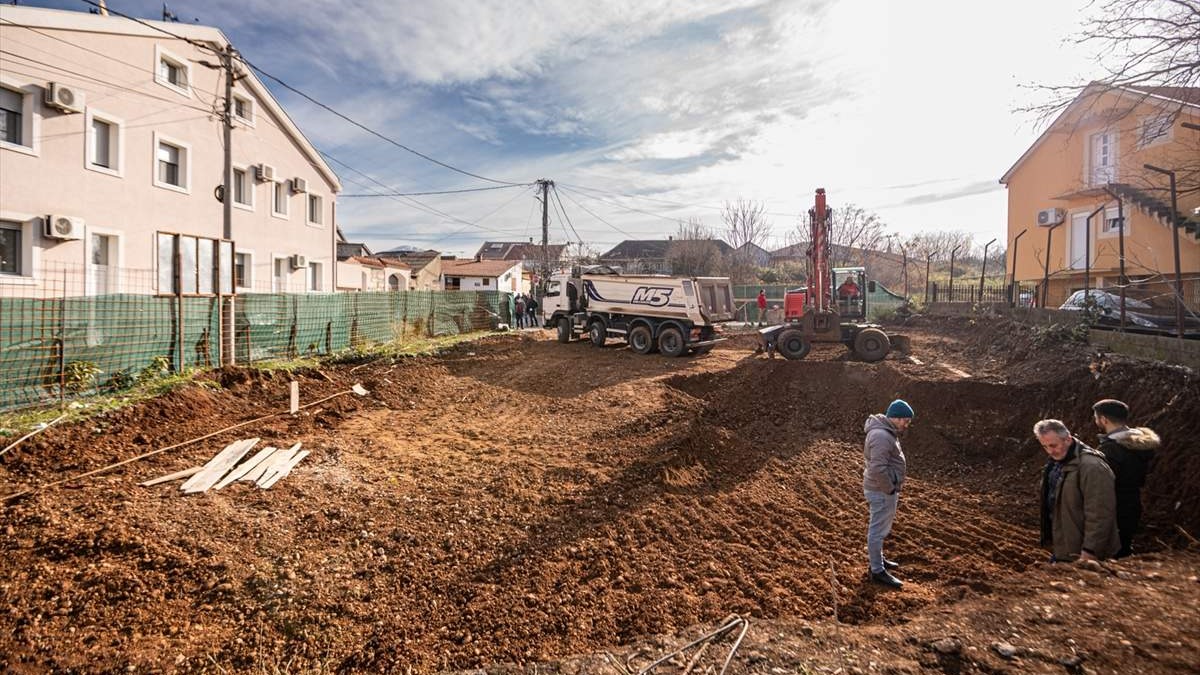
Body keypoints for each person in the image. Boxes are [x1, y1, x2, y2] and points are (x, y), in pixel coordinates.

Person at [1035, 419, 1120, 563]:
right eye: (1045, 447)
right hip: (1065, 548)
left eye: (1053, 445)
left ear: (1067, 440)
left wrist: (1090, 550)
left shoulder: (1092, 467)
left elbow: (1100, 512)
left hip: (1085, 553)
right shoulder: (1055, 463)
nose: (1050, 451)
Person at [1093, 399, 1160, 558]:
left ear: (1104, 419)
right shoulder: (1142, 443)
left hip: (1113, 506)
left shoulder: (1111, 449)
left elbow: (1101, 483)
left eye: (1096, 418)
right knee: (1124, 547)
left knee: (1109, 552)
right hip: (1132, 502)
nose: (1096, 421)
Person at [863, 399, 913, 589]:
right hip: (881, 490)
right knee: (877, 530)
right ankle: (877, 570)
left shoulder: (885, 432)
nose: (906, 425)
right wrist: (889, 488)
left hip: (882, 489)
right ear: (896, 417)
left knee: (880, 528)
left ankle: (879, 560)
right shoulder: (882, 436)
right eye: (905, 421)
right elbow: (878, 468)